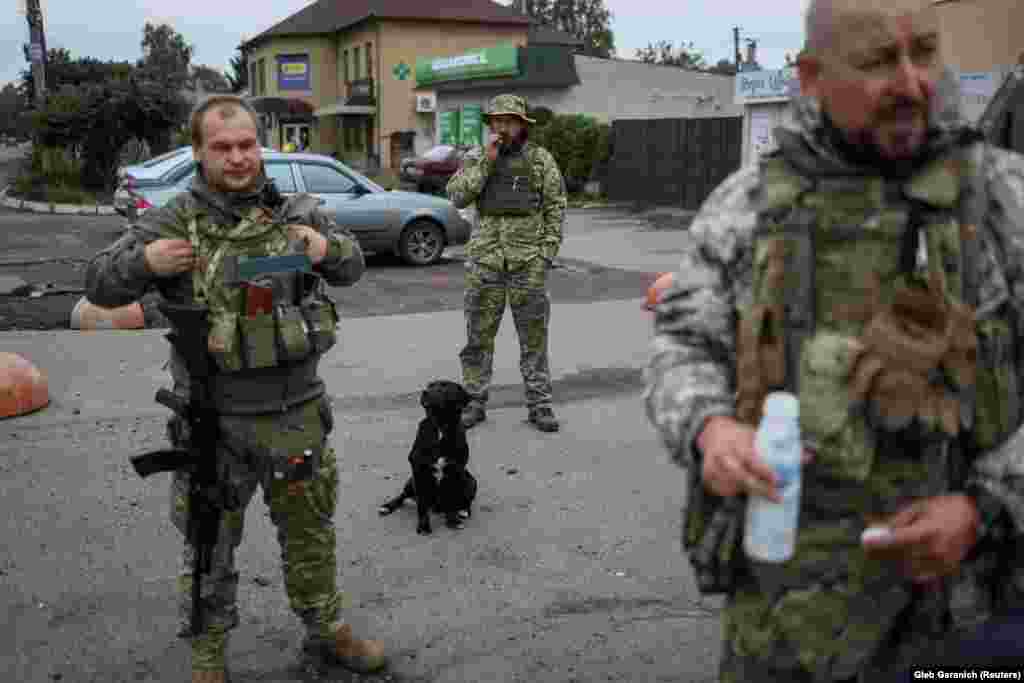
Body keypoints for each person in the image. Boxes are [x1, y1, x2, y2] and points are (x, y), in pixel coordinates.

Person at [644, 1, 1024, 681]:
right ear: (812, 77)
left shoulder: (1005, 202)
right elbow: (681, 343)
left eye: (926, 51)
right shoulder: (750, 205)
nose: (912, 83)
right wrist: (711, 428)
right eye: (879, 60)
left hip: (971, 613)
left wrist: (986, 503)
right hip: (788, 619)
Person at [85, 94, 386, 683]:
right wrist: (145, 261)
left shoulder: (295, 210)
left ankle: (325, 630)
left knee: (310, 536)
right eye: (222, 147)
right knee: (208, 546)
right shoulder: (174, 219)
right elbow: (98, 286)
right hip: (213, 422)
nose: (238, 157)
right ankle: (208, 656)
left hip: (296, 413)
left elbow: (352, 267)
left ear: (260, 145)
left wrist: (325, 249)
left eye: (247, 144)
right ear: (198, 152)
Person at [446, 94, 568, 433]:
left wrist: (547, 254)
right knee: (477, 338)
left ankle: (539, 404)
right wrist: (486, 162)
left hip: (528, 263)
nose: (502, 127)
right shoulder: (476, 157)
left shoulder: (540, 160)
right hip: (485, 262)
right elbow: (457, 196)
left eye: (509, 120)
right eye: (497, 121)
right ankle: (474, 401)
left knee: (533, 339)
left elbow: (556, 206)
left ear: (522, 125)